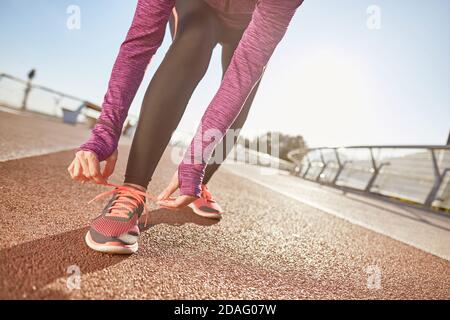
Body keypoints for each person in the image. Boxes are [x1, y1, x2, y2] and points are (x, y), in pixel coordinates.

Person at [68, 0, 303, 254]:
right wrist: (105, 130)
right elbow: (139, 44)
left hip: (249, 24)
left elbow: (241, 75)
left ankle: (199, 183)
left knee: (243, 97)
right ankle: (133, 189)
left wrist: (196, 159)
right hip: (196, 6)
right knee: (194, 39)